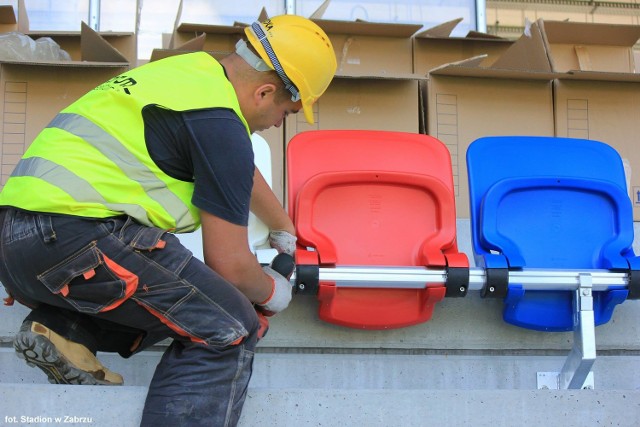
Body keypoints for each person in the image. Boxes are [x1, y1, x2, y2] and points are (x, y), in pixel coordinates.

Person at [0, 14, 336, 427]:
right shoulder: (220, 124)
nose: (278, 122)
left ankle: (63, 329)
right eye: (286, 110)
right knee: (229, 323)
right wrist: (272, 292)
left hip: (19, 247)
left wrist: (283, 224)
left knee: (187, 299)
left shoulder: (186, 74)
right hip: (79, 239)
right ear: (265, 92)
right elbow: (229, 264)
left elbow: (238, 168)